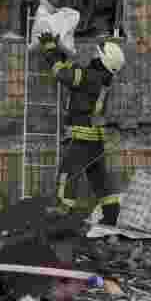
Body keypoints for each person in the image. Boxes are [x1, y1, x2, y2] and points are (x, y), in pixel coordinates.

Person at [36, 32, 126, 224]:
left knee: (68, 173)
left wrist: (51, 49)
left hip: (81, 137)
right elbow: (74, 74)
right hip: (96, 139)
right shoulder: (102, 80)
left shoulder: (89, 76)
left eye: (97, 55)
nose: (94, 56)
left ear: (103, 62)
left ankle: (61, 211)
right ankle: (112, 215)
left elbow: (63, 74)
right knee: (100, 180)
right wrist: (64, 55)